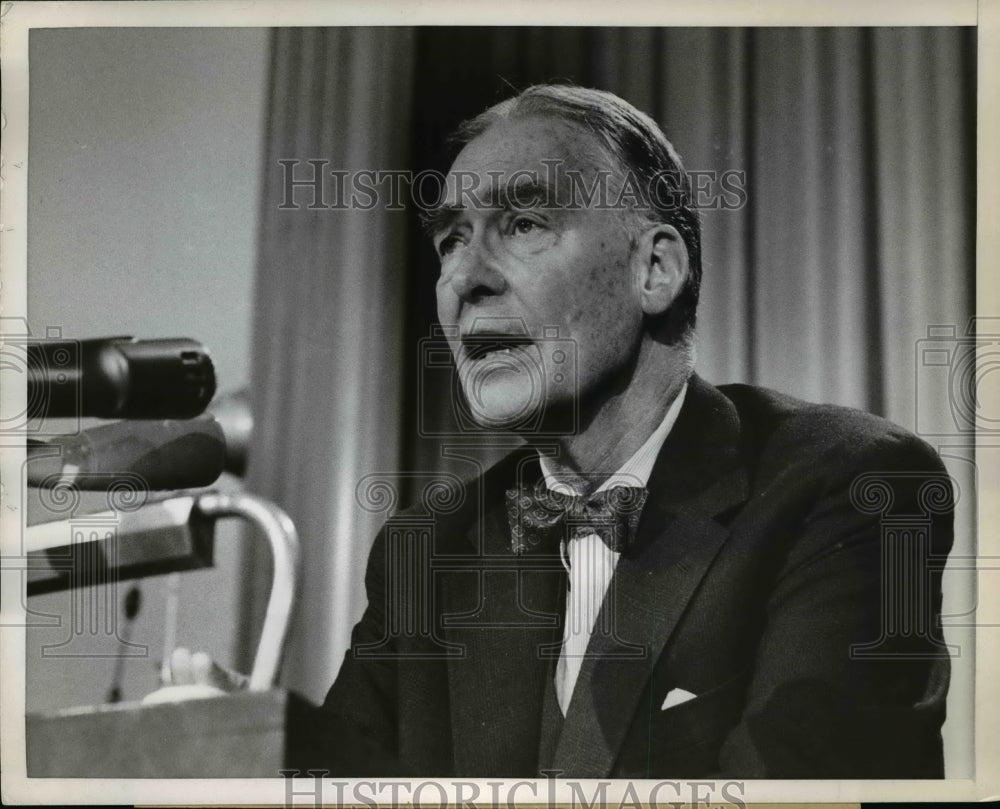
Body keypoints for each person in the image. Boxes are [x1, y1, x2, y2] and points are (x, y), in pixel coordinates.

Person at [180, 84, 954, 778]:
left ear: (654, 270)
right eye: (451, 239)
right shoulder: (427, 551)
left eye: (521, 223)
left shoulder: (853, 486)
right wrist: (252, 752)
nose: (462, 280)